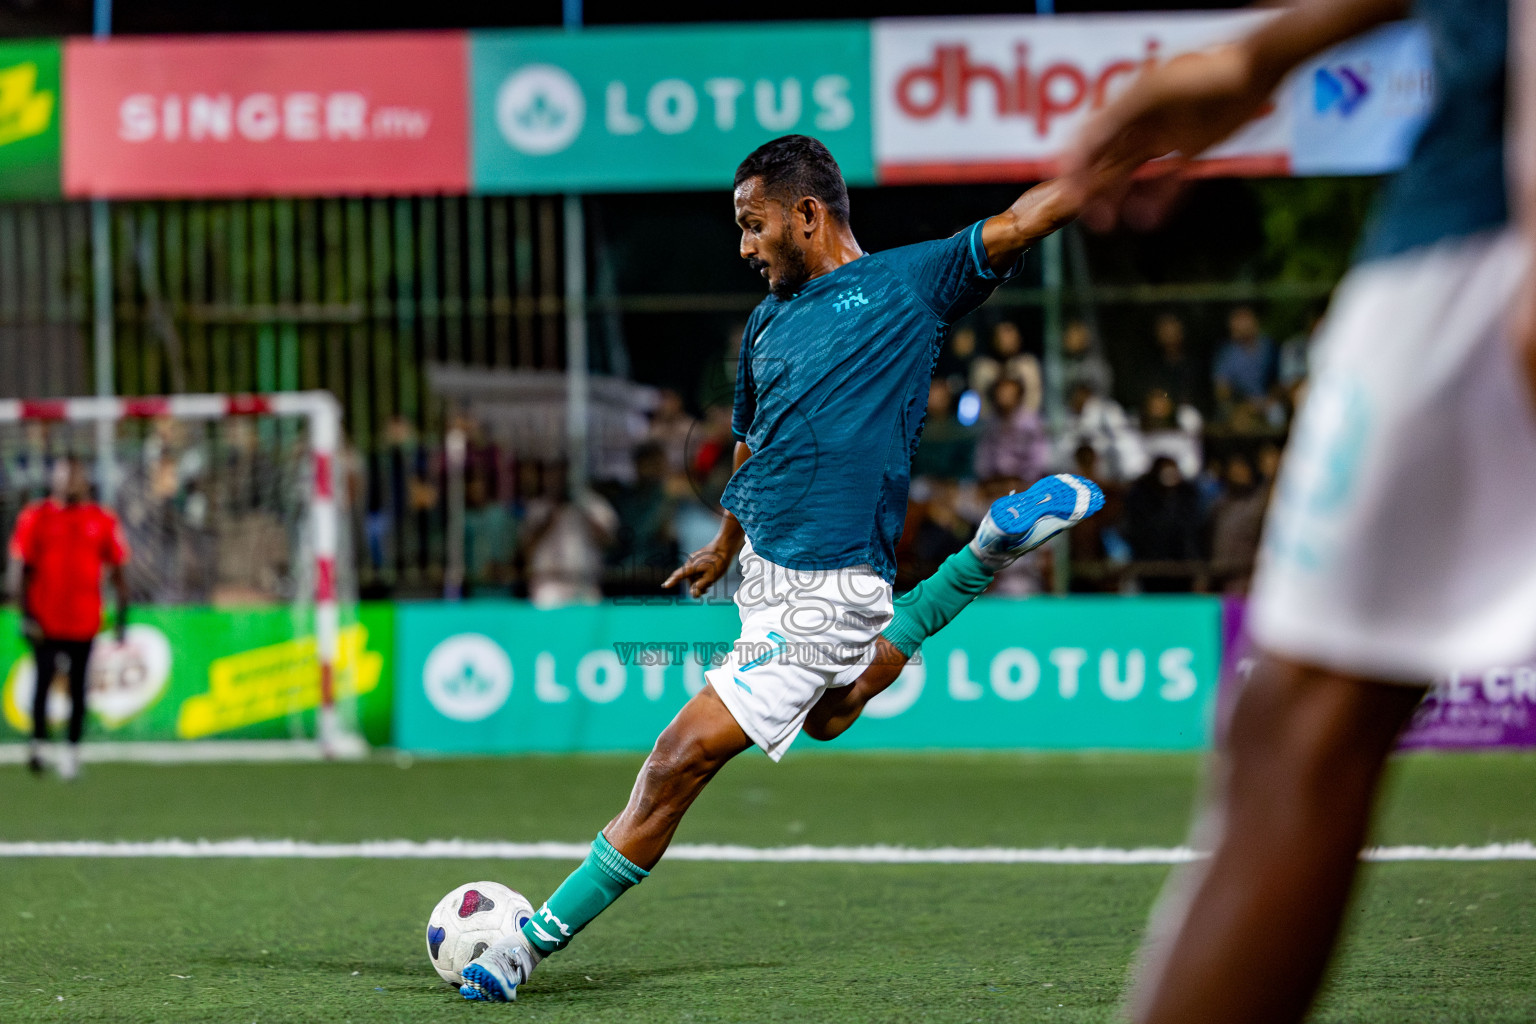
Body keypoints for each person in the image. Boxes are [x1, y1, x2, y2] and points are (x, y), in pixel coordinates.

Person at [458, 134, 1103, 1002]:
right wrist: (726, 546)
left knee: (677, 758)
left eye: (752, 225)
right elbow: (753, 447)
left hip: (829, 584)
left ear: (807, 214)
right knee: (833, 714)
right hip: (767, 575)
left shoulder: (914, 281)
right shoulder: (766, 323)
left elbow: (1028, 217)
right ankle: (984, 552)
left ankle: (525, 945)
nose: (744, 246)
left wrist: (1128, 157)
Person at [1064, 1, 1536, 1021]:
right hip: (1477, 202)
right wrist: (1259, 57)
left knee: (1300, 727)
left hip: (1480, 223)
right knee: (1298, 725)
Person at [6, 456, 129, 780]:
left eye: (76, 475)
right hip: (45, 618)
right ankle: (38, 745)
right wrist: (25, 613)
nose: (71, 482)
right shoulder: (37, 516)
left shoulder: (101, 519)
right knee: (43, 681)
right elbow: (21, 568)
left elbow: (118, 569)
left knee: (78, 688)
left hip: (84, 620)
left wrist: (122, 616)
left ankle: (72, 753)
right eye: (65, 475)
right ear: (54, 479)